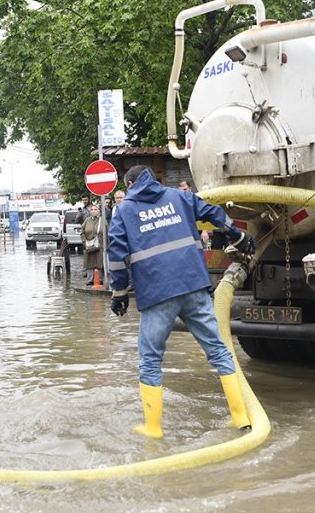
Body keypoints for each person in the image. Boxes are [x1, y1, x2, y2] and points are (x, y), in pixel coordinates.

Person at [107, 165, 255, 438]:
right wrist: (239, 236)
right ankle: (240, 418)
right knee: (220, 352)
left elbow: (116, 254)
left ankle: (152, 429)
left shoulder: (124, 211)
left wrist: (118, 293)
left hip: (157, 294)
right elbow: (214, 213)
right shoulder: (179, 197)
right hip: (194, 287)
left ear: (129, 185)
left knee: (150, 360)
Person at [81, 203, 105, 286]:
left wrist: (106, 244)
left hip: (100, 245)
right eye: (92, 210)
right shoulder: (87, 220)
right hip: (89, 245)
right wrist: (84, 242)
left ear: (98, 211)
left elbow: (107, 232)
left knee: (100, 262)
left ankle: (100, 279)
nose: (93, 211)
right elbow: (82, 232)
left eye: (95, 209)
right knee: (89, 262)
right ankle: (90, 279)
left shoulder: (102, 220)